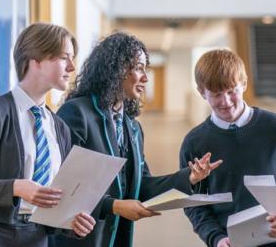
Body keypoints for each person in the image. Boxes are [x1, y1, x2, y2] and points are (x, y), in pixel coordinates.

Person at [53, 32, 221, 247]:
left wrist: (189, 177)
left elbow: (143, 186)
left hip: (116, 237)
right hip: (80, 238)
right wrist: (114, 206)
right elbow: (63, 188)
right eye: (138, 68)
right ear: (116, 69)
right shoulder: (77, 113)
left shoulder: (132, 127)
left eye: (146, 69)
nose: (145, 78)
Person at [0, 22, 95, 247]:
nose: (72, 67)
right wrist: (16, 187)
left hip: (36, 238)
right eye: (65, 57)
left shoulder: (59, 127)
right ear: (36, 59)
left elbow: (53, 199)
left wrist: (72, 223)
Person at [180, 49, 276, 247]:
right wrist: (216, 238)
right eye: (216, 94)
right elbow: (193, 203)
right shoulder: (194, 142)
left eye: (232, 91)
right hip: (229, 242)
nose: (226, 102)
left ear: (244, 84)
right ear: (201, 92)